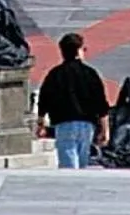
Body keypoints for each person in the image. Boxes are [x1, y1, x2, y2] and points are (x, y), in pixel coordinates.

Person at [36, 30, 109, 168]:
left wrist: (41, 123)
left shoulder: (55, 74)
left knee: (68, 164)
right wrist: (105, 130)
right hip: (87, 125)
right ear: (79, 50)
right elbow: (101, 104)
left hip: (64, 123)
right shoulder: (90, 73)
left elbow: (44, 99)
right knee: (83, 163)